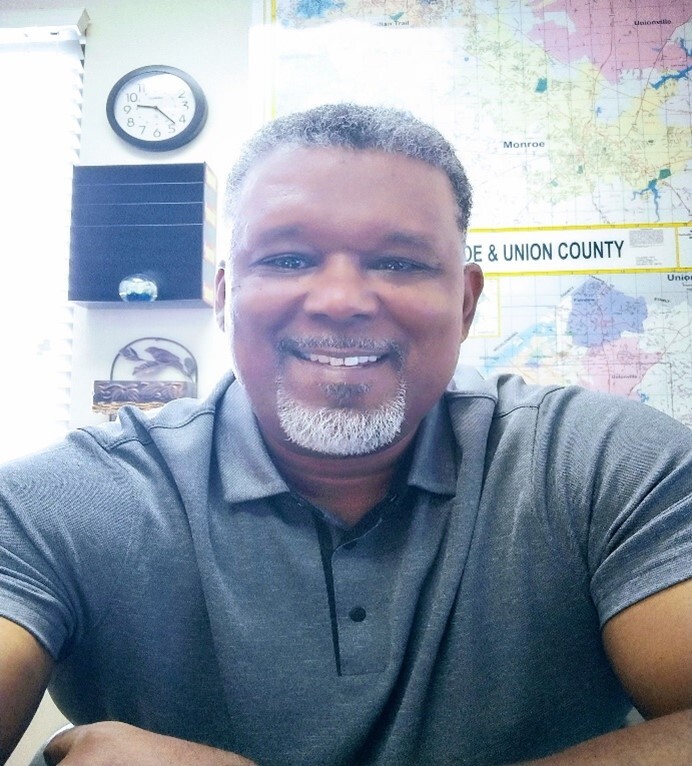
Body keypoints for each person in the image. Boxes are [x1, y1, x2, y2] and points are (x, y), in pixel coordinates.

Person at [0, 103, 690, 766]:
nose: (340, 301)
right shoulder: (63, 503)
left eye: (399, 262)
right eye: (288, 258)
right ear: (223, 293)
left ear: (465, 300)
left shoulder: (606, 466)